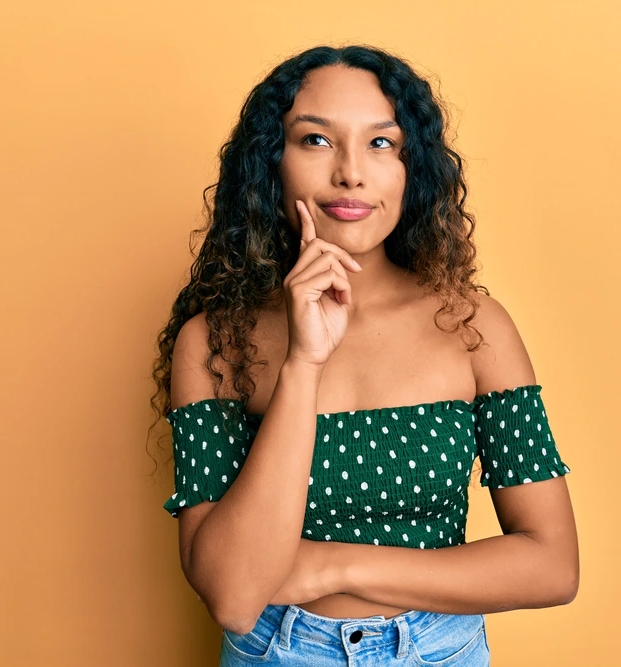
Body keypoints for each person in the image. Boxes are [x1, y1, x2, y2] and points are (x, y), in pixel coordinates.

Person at [149, 44, 578, 666]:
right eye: (316, 141)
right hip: (279, 652)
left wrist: (330, 564)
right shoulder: (215, 342)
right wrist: (304, 364)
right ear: (273, 163)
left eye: (381, 143)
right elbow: (236, 597)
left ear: (413, 167)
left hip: (441, 652)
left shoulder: (473, 326)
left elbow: (550, 565)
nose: (351, 173)